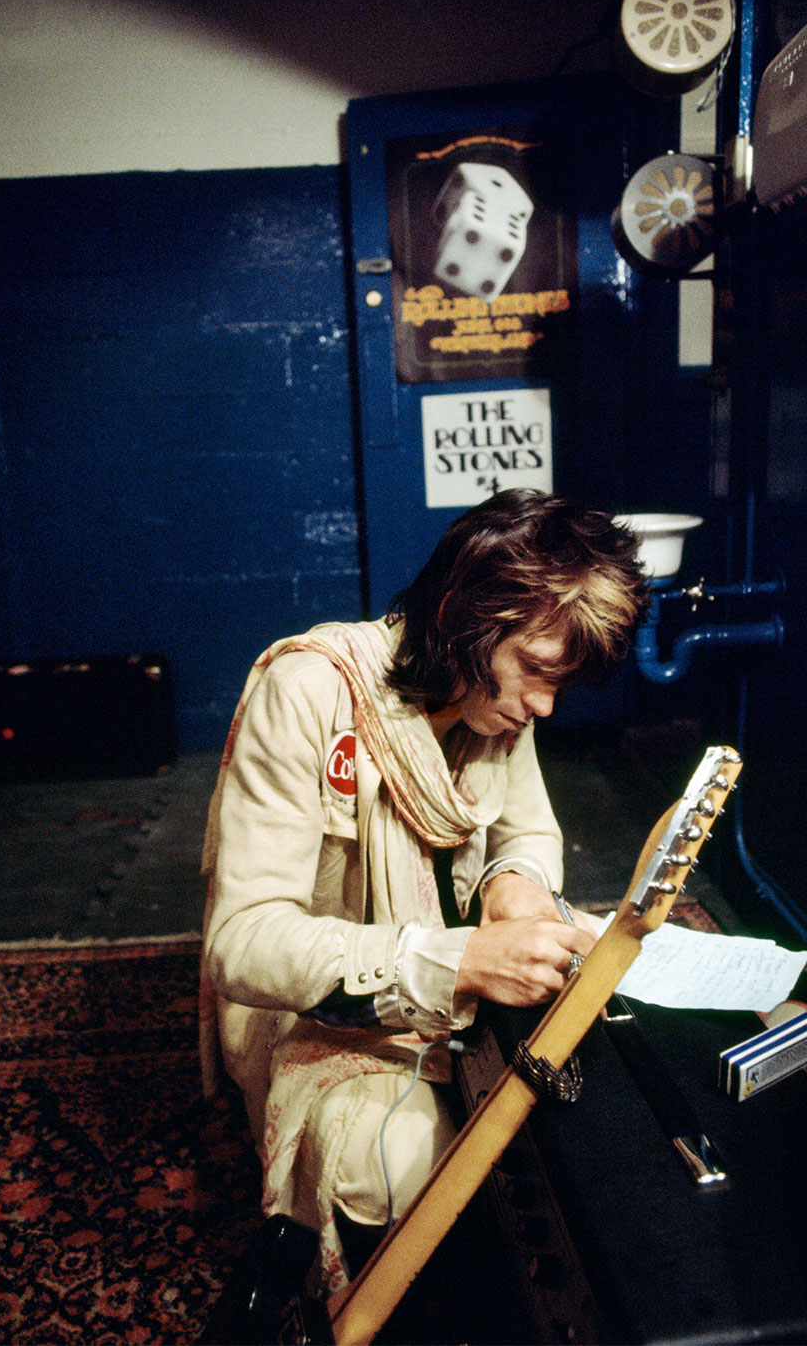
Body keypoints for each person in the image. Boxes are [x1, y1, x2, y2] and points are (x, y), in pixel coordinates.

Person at [199, 489, 648, 1292]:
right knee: (395, 1165)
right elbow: (244, 945)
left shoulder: (498, 700)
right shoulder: (309, 691)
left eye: (564, 685)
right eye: (539, 673)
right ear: (463, 617)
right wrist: (459, 960)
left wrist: (516, 885)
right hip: (319, 1011)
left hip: (465, 973)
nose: (544, 706)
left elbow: (530, 834)